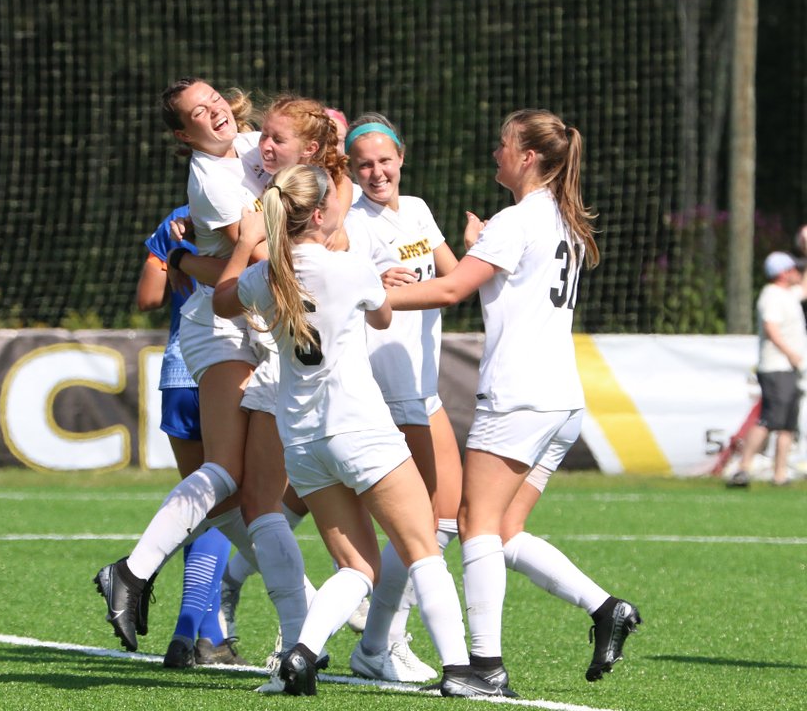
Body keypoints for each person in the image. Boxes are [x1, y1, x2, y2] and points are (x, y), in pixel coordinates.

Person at [212, 164, 507, 698]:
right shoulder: (349, 267)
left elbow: (222, 298)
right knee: (423, 549)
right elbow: (383, 319)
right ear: (318, 214)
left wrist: (247, 244)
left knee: (357, 566)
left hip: (302, 441)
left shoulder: (265, 274)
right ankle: (461, 672)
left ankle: (301, 654)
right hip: (360, 429)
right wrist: (374, 280)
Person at [386, 109, 641, 687]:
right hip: (562, 400)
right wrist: (480, 246)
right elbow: (505, 282)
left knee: (473, 522)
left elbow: (451, 289)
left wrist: (367, 295)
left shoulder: (517, 219)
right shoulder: (562, 218)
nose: (495, 152)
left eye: (504, 144)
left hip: (519, 396)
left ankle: (486, 667)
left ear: (527, 156)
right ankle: (607, 609)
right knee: (501, 534)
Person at [95, 79, 307, 669]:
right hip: (220, 326)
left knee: (255, 497)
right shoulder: (210, 179)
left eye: (214, 100)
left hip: (257, 326)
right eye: (197, 112)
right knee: (230, 477)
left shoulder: (256, 144)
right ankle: (136, 575)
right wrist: (328, 266)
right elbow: (255, 257)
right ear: (183, 134)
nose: (214, 112)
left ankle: (310, 622)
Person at [341, 113, 461, 683]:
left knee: (443, 518)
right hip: (387, 387)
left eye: (384, 160)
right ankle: (382, 643)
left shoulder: (416, 209)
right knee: (423, 524)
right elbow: (357, 292)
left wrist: (481, 250)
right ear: (350, 169)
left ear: (401, 158)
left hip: (422, 384)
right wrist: (375, 285)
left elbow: (454, 278)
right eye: (363, 164)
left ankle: (379, 642)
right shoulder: (353, 223)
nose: (376, 172)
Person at [136, 205, 246, 668]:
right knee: (224, 505)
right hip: (228, 364)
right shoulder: (251, 214)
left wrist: (171, 255)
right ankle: (192, 631)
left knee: (202, 505)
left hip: (180, 370)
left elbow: (148, 298)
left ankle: (204, 636)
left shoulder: (176, 220)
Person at [727, 251, 806, 487]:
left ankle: (779, 475)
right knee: (769, 420)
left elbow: (804, 288)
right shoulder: (771, 295)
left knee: (788, 425)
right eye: (793, 269)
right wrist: (790, 353)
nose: (797, 272)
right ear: (782, 273)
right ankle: (742, 469)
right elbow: (771, 328)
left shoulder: (788, 294)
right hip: (776, 367)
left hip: (791, 368)